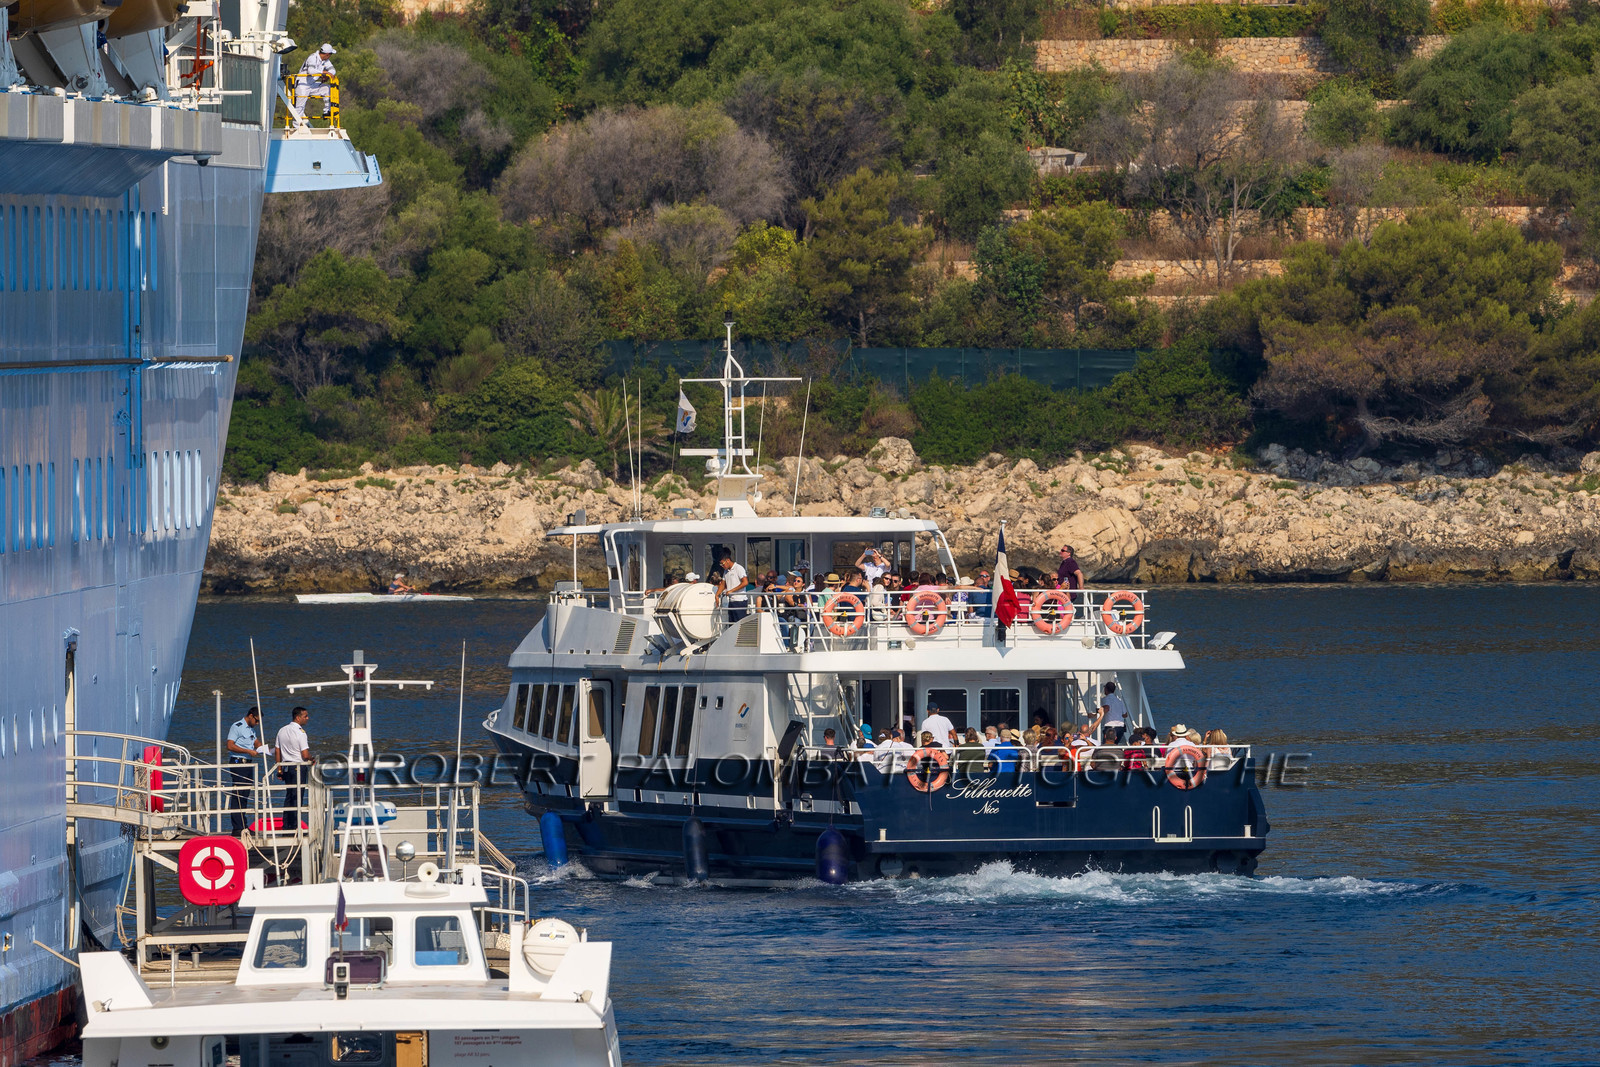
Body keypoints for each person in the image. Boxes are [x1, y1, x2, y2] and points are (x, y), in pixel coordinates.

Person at [225, 706, 270, 834]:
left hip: (248, 763)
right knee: (239, 794)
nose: (257, 723)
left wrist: (265, 749)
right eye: (256, 720)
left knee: (245, 794)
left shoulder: (251, 729)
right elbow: (230, 745)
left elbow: (256, 743)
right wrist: (248, 751)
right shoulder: (237, 726)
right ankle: (238, 827)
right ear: (250, 716)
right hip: (238, 762)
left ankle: (243, 825)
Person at [274, 706, 312, 829]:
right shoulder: (300, 733)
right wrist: (312, 759)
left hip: (286, 767)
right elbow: (305, 755)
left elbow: (277, 751)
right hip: (298, 767)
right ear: (298, 717)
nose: (307, 718)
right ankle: (295, 826)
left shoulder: (282, 730)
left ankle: (286, 825)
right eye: (305, 716)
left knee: (289, 796)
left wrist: (279, 769)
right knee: (297, 797)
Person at [290, 43, 338, 128]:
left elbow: (333, 71)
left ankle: (327, 111)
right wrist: (324, 73)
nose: (330, 56)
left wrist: (326, 76)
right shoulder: (312, 58)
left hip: (311, 84)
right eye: (330, 54)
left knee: (326, 88)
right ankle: (296, 127)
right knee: (300, 107)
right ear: (327, 54)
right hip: (302, 84)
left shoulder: (325, 61)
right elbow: (311, 71)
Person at [716, 550, 749, 623]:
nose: (722, 566)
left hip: (740, 601)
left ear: (728, 560)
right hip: (731, 601)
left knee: (739, 623)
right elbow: (723, 584)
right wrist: (717, 595)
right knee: (732, 624)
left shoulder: (738, 568)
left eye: (722, 564)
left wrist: (731, 590)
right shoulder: (726, 571)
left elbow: (745, 582)